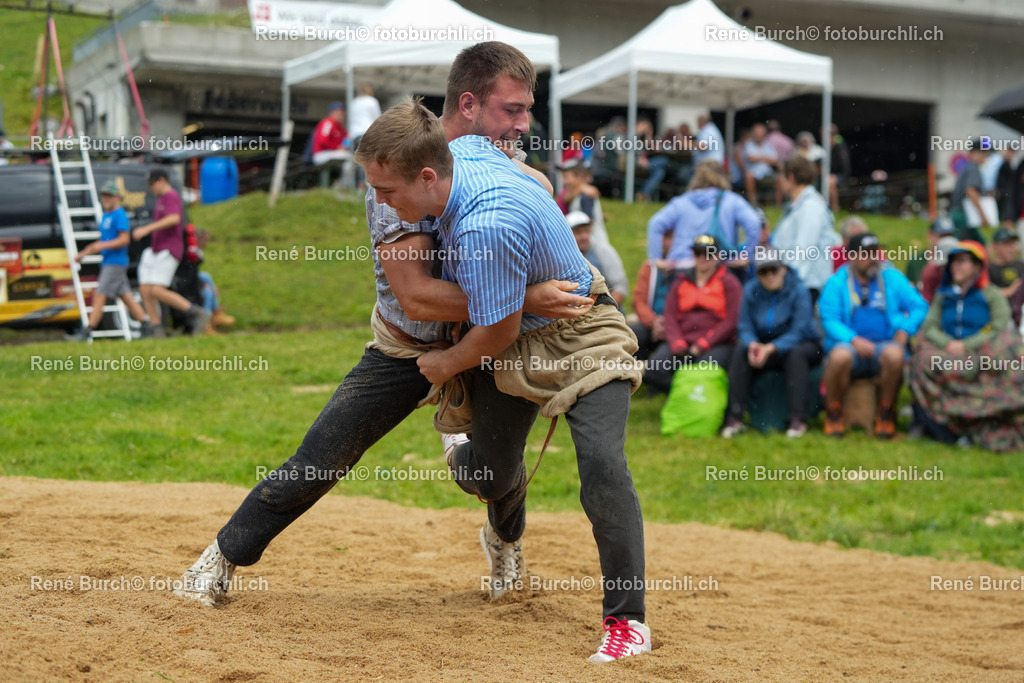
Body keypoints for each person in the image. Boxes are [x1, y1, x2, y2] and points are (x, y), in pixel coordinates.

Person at [172, 41, 591, 621]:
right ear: (468, 105)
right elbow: (417, 294)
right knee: (322, 457)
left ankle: (503, 541)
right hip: (409, 345)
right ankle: (219, 559)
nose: (523, 125)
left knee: (495, 474)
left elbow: (542, 204)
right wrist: (524, 298)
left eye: (526, 111)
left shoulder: (502, 166)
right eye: (512, 110)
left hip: (492, 341)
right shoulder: (399, 165)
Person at [358, 99, 652, 663]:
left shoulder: (483, 229)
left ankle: (627, 622)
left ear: (427, 177)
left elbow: (497, 329)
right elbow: (537, 180)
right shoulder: (465, 149)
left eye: (387, 191)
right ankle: (461, 452)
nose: (382, 204)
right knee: (491, 478)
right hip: (515, 344)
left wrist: (445, 365)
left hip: (581, 328)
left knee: (603, 465)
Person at [909, 241, 1024, 451]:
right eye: (953, 262)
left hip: (981, 351)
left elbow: (998, 326)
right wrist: (948, 343)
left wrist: (968, 345)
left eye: (962, 261)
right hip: (948, 351)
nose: (956, 267)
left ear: (977, 266)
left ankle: (994, 415)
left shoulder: (990, 294)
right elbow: (930, 326)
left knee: (1008, 351)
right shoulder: (944, 295)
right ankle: (939, 425)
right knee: (921, 357)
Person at [818, 233, 928, 439]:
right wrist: (853, 339)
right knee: (839, 356)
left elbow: (919, 306)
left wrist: (905, 330)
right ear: (851, 256)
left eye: (874, 253)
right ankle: (834, 411)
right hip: (849, 346)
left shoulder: (891, 277)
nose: (872, 258)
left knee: (895, 355)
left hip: (885, 344)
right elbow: (829, 319)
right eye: (865, 254)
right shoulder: (836, 282)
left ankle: (885, 412)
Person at [721, 249, 822, 439]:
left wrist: (772, 348)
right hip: (763, 344)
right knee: (740, 352)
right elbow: (744, 325)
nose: (769, 276)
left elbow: (799, 330)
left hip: (803, 343)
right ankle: (734, 417)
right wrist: (752, 344)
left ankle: (797, 419)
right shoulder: (750, 290)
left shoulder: (799, 290)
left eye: (773, 270)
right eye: (763, 271)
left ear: (783, 269)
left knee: (796, 355)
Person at [644, 234, 741, 395]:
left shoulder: (729, 282)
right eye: (698, 253)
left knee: (702, 371)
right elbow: (670, 316)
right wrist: (677, 343)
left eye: (708, 253)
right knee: (653, 369)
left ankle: (690, 395)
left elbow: (731, 321)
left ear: (718, 256)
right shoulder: (681, 281)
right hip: (683, 341)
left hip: (716, 343)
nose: (703, 257)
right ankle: (685, 393)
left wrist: (703, 344)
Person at [647, 160, 761, 280]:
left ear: (696, 177)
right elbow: (753, 223)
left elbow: (655, 223)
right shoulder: (731, 200)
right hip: (718, 268)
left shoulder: (681, 202)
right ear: (723, 177)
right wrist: (746, 256)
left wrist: (656, 259)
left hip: (682, 268)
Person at [66, 180, 150, 341]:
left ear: (117, 197)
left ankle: (87, 331)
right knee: (126, 296)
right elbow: (102, 241)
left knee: (100, 294)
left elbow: (124, 239)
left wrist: (101, 245)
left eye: (110, 196)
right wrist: (84, 253)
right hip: (109, 261)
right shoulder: (106, 215)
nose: (106, 198)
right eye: (104, 195)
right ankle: (146, 325)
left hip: (115, 262)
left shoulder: (119, 215)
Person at [131, 168, 210, 337]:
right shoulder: (161, 199)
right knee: (145, 288)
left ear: (161, 180)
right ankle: (156, 328)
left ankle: (196, 312)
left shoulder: (172, 196)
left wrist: (147, 229)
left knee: (157, 290)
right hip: (156, 249)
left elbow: (174, 218)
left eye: (152, 184)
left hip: (169, 248)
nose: (150, 188)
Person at [771, 156, 840, 302]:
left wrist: (788, 287)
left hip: (804, 289)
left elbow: (804, 251)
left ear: (791, 177)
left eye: (781, 176)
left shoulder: (810, 206)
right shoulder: (798, 205)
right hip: (794, 285)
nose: (778, 181)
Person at [555, 160, 629, 296]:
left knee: (598, 284)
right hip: (581, 248)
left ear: (579, 177)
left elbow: (587, 221)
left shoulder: (586, 196)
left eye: (567, 177)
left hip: (593, 247)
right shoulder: (576, 194)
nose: (564, 181)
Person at [630, 229, 675, 360]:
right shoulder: (650, 266)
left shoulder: (688, 267)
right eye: (668, 238)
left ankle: (655, 367)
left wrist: (669, 324)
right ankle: (637, 368)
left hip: (677, 326)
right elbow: (639, 301)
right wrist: (653, 321)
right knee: (633, 335)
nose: (672, 243)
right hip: (652, 323)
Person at [567, 210, 628, 305]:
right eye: (578, 232)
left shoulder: (604, 251)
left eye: (586, 231)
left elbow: (620, 286)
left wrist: (608, 309)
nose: (584, 236)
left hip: (605, 306)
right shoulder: (563, 256)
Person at [193, 228, 236, 335]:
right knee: (207, 288)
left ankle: (212, 317)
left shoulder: (198, 251)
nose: (206, 243)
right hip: (187, 282)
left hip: (193, 280)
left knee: (209, 290)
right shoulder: (191, 250)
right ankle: (211, 319)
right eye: (204, 240)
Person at [950, 141, 991, 242]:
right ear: (973, 152)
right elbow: (971, 191)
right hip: (963, 214)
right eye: (982, 152)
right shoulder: (973, 168)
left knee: (978, 243)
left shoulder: (968, 167)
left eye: (986, 152)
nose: (985, 155)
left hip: (961, 213)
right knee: (959, 244)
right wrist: (983, 215)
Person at [987, 227, 1024, 327]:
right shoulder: (990, 269)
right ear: (995, 246)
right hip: (1002, 316)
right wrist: (1010, 290)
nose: (1010, 248)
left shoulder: (1020, 265)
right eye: (1006, 244)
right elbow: (985, 294)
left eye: (1012, 244)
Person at [743, 123, 778, 207]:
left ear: (764, 134)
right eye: (757, 133)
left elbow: (775, 160)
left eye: (760, 133)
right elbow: (751, 158)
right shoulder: (748, 144)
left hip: (767, 173)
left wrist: (759, 158)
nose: (758, 135)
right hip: (754, 173)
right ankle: (753, 202)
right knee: (748, 176)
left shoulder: (768, 145)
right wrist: (766, 158)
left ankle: (778, 204)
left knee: (780, 177)